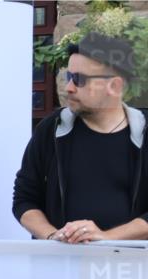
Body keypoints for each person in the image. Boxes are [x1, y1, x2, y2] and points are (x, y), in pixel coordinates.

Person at [13, 32, 148, 243]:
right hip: (60, 269)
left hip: (130, 270)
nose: (69, 87)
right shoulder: (52, 129)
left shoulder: (144, 132)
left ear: (115, 86)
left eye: (79, 79)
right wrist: (53, 236)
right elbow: (24, 199)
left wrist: (105, 238)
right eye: (68, 77)